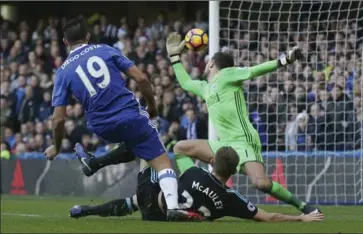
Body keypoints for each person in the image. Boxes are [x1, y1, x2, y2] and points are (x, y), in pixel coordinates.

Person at [43, 16, 200, 221]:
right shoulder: (106, 50)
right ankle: (173, 207)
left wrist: (55, 146)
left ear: (65, 42)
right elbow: (141, 78)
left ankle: (94, 163)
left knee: (135, 143)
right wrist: (152, 106)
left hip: (100, 126)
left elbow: (58, 119)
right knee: (162, 162)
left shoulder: (63, 72)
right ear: (88, 36)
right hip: (129, 115)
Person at [165, 32, 320, 215]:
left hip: (243, 140)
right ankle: (195, 190)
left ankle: (302, 206)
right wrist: (174, 57)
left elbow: (255, 70)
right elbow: (185, 82)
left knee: (261, 183)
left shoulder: (227, 74)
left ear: (211, 64)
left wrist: (284, 60)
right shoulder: (205, 88)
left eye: (208, 62)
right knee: (180, 148)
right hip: (223, 145)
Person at [69, 147, 324, 222]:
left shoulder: (193, 172)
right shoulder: (231, 199)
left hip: (152, 196)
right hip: (158, 219)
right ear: (235, 171)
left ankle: (95, 165)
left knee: (143, 143)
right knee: (134, 203)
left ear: (212, 162)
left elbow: (181, 149)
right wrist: (300, 219)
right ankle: (86, 210)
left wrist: (207, 156)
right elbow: (267, 217)